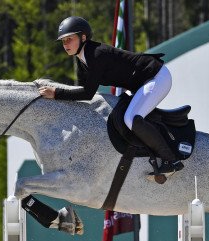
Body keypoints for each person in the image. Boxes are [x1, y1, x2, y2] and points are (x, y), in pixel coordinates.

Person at [38, 16, 177, 174]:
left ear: (83, 37)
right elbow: (81, 91)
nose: (66, 44)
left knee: (130, 118)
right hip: (140, 83)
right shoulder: (81, 60)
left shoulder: (96, 54)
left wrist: (56, 93)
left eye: (69, 39)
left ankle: (170, 160)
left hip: (156, 77)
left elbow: (88, 93)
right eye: (63, 41)